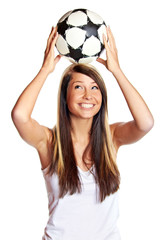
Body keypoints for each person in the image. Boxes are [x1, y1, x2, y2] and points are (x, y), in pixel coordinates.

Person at [11, 26, 154, 240]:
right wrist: (45, 70)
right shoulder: (49, 141)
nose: (88, 95)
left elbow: (145, 123)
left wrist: (116, 70)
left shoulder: (111, 137)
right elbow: (20, 116)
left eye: (95, 88)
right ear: (65, 96)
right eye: (78, 87)